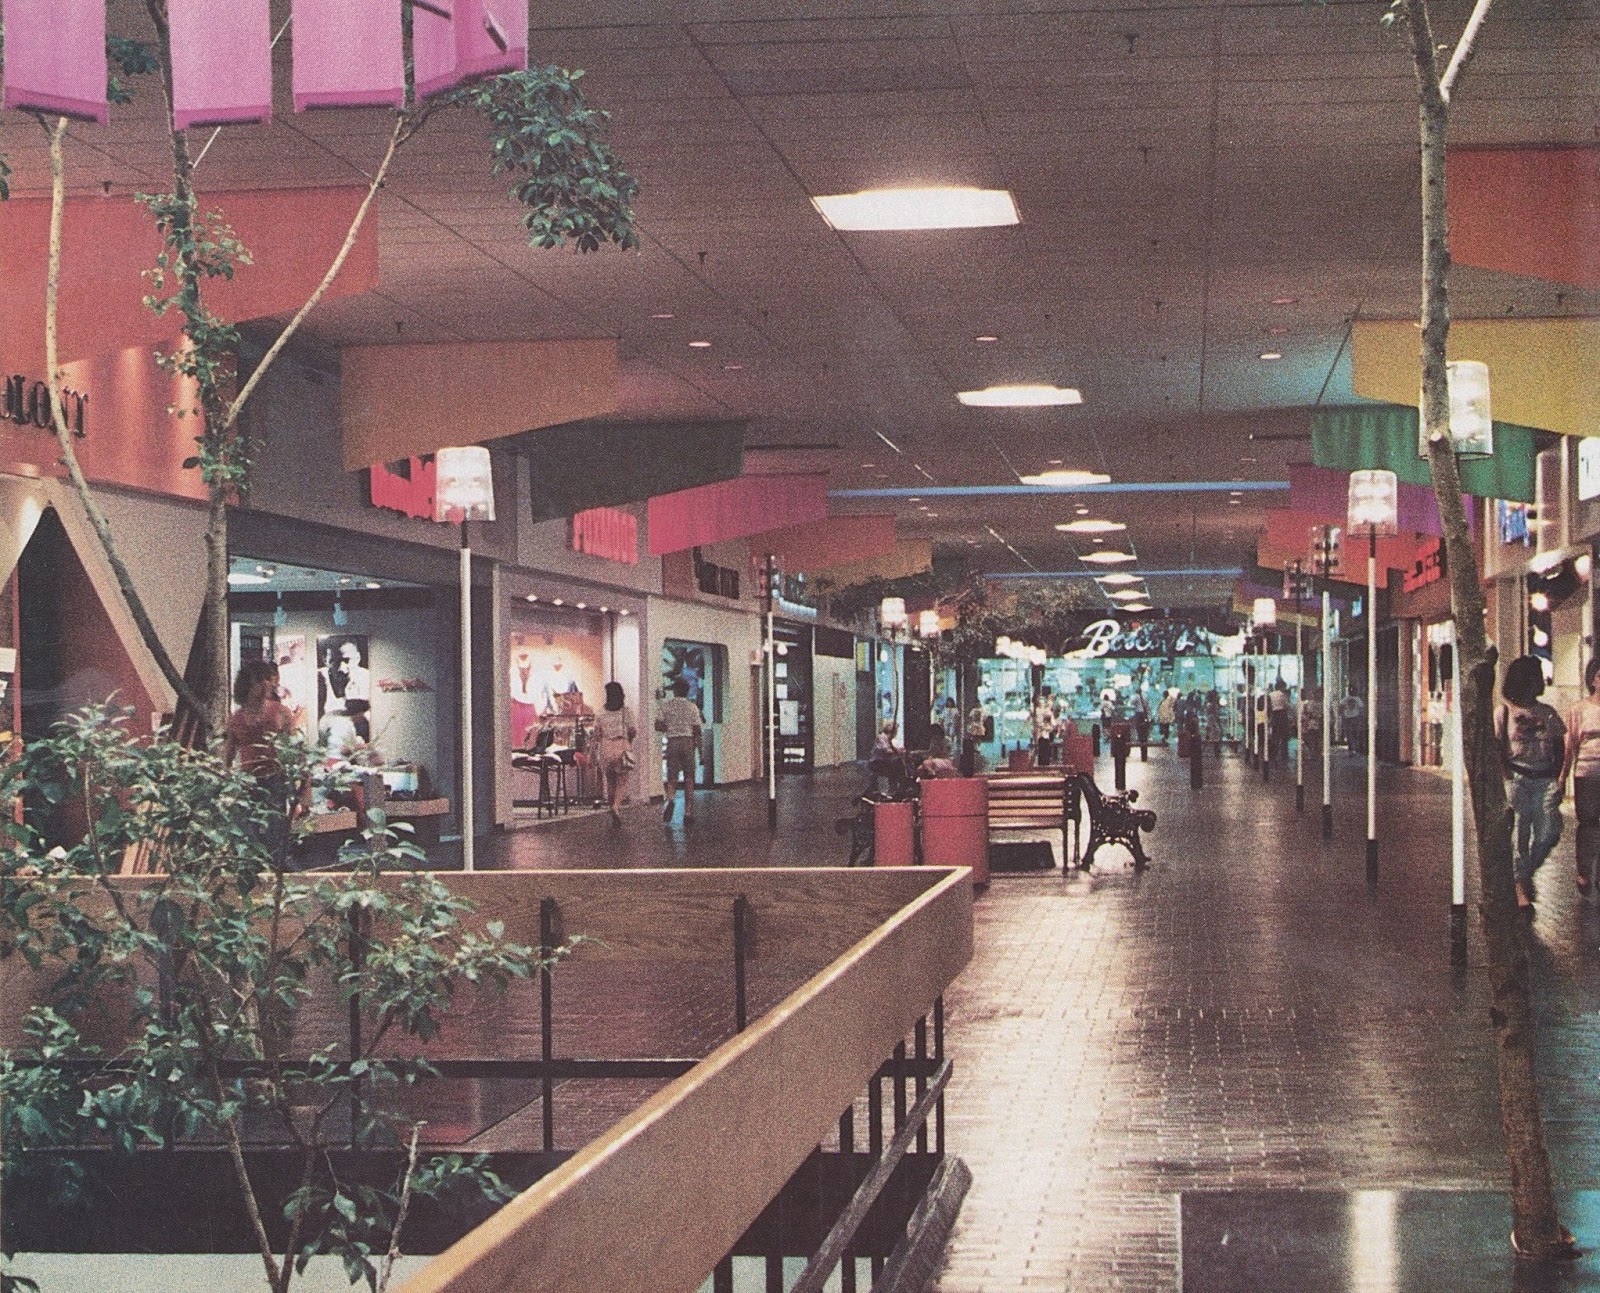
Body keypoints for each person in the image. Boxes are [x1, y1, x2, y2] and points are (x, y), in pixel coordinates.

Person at [1496, 655, 1565, 909]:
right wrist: (1506, 776)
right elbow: (1497, 747)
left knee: (1550, 831)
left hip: (1544, 778)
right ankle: (1519, 886)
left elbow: (1559, 745)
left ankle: (1526, 872)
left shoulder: (1548, 713)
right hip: (1518, 778)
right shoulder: (1504, 712)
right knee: (1519, 835)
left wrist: (1558, 776)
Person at [223, 660, 300, 865]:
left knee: (276, 829)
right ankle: (252, 867)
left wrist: (300, 786)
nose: (266, 684)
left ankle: (277, 868)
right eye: (259, 679)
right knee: (248, 829)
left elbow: (294, 750)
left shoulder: (281, 712)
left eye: (267, 679)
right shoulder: (236, 717)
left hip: (274, 778)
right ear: (248, 684)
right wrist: (225, 782)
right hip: (248, 780)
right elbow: (228, 753)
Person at [1565, 658, 1600, 897]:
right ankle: (1584, 870)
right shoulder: (1579, 709)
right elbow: (1570, 745)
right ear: (1592, 679)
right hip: (1587, 774)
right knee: (1588, 823)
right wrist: (1562, 775)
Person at [656, 677, 704, 824]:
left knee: (672, 777)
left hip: (673, 741)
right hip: (687, 741)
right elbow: (697, 730)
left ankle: (671, 799)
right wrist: (701, 753)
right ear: (687, 691)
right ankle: (688, 813)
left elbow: (658, 725)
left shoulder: (666, 706)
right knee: (689, 778)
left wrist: (670, 728)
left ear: (675, 690)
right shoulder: (692, 707)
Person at [593, 681, 638, 825]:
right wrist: (629, 741)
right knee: (623, 780)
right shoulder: (626, 712)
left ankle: (612, 806)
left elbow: (597, 734)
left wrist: (592, 751)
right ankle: (616, 806)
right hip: (621, 745)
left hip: (606, 747)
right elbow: (632, 731)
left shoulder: (600, 713)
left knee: (610, 780)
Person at [1032, 692, 1058, 767]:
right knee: (1042, 751)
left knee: (1046, 752)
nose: (1042, 701)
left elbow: (1051, 720)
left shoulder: (1044, 709)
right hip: (1040, 734)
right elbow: (1038, 721)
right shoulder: (1037, 710)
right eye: (1039, 699)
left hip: (1046, 733)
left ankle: (1046, 764)